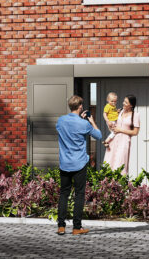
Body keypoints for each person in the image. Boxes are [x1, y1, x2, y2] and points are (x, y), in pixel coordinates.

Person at [55, 94, 100, 236]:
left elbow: (66, 131)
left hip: (65, 163)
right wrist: (91, 121)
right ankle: (76, 227)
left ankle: (61, 226)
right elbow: (98, 135)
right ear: (80, 107)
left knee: (64, 193)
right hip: (79, 163)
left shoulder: (61, 121)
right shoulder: (84, 124)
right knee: (79, 195)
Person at [105, 94, 140, 175]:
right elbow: (113, 124)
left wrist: (120, 130)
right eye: (124, 101)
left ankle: (119, 183)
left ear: (131, 105)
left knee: (120, 163)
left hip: (124, 142)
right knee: (109, 162)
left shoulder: (135, 115)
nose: (123, 103)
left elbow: (135, 132)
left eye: (126, 102)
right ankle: (107, 182)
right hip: (113, 140)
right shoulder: (119, 112)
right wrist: (110, 125)